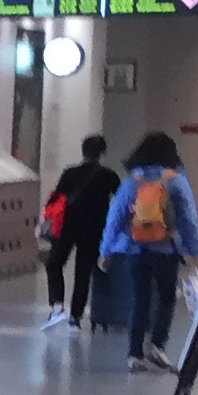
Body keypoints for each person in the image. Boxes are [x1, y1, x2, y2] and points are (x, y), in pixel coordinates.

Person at [101, 131, 198, 374]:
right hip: (166, 250)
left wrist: (105, 250)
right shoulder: (175, 180)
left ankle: (134, 355)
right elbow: (188, 220)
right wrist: (196, 252)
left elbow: (115, 216)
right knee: (167, 298)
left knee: (140, 300)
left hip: (135, 250)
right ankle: (157, 345)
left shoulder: (133, 181)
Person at [40, 134, 118, 332]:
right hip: (94, 229)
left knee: (54, 264)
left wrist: (47, 219)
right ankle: (75, 317)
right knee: (83, 273)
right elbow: (120, 201)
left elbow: (55, 199)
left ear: (83, 151)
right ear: (102, 153)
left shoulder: (70, 173)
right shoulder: (108, 176)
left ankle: (57, 305)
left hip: (67, 227)